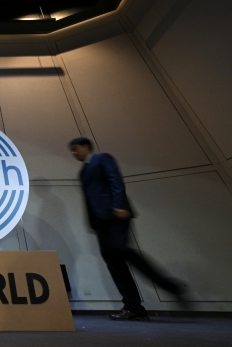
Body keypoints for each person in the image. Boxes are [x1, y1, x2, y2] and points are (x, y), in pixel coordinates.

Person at [69, 137, 186, 321]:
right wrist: (92, 223)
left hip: (116, 215)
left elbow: (116, 181)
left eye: (76, 149)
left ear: (86, 147)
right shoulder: (82, 172)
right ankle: (133, 307)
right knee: (115, 263)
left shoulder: (102, 158)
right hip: (100, 222)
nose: (74, 153)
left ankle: (171, 287)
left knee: (123, 252)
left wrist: (120, 205)